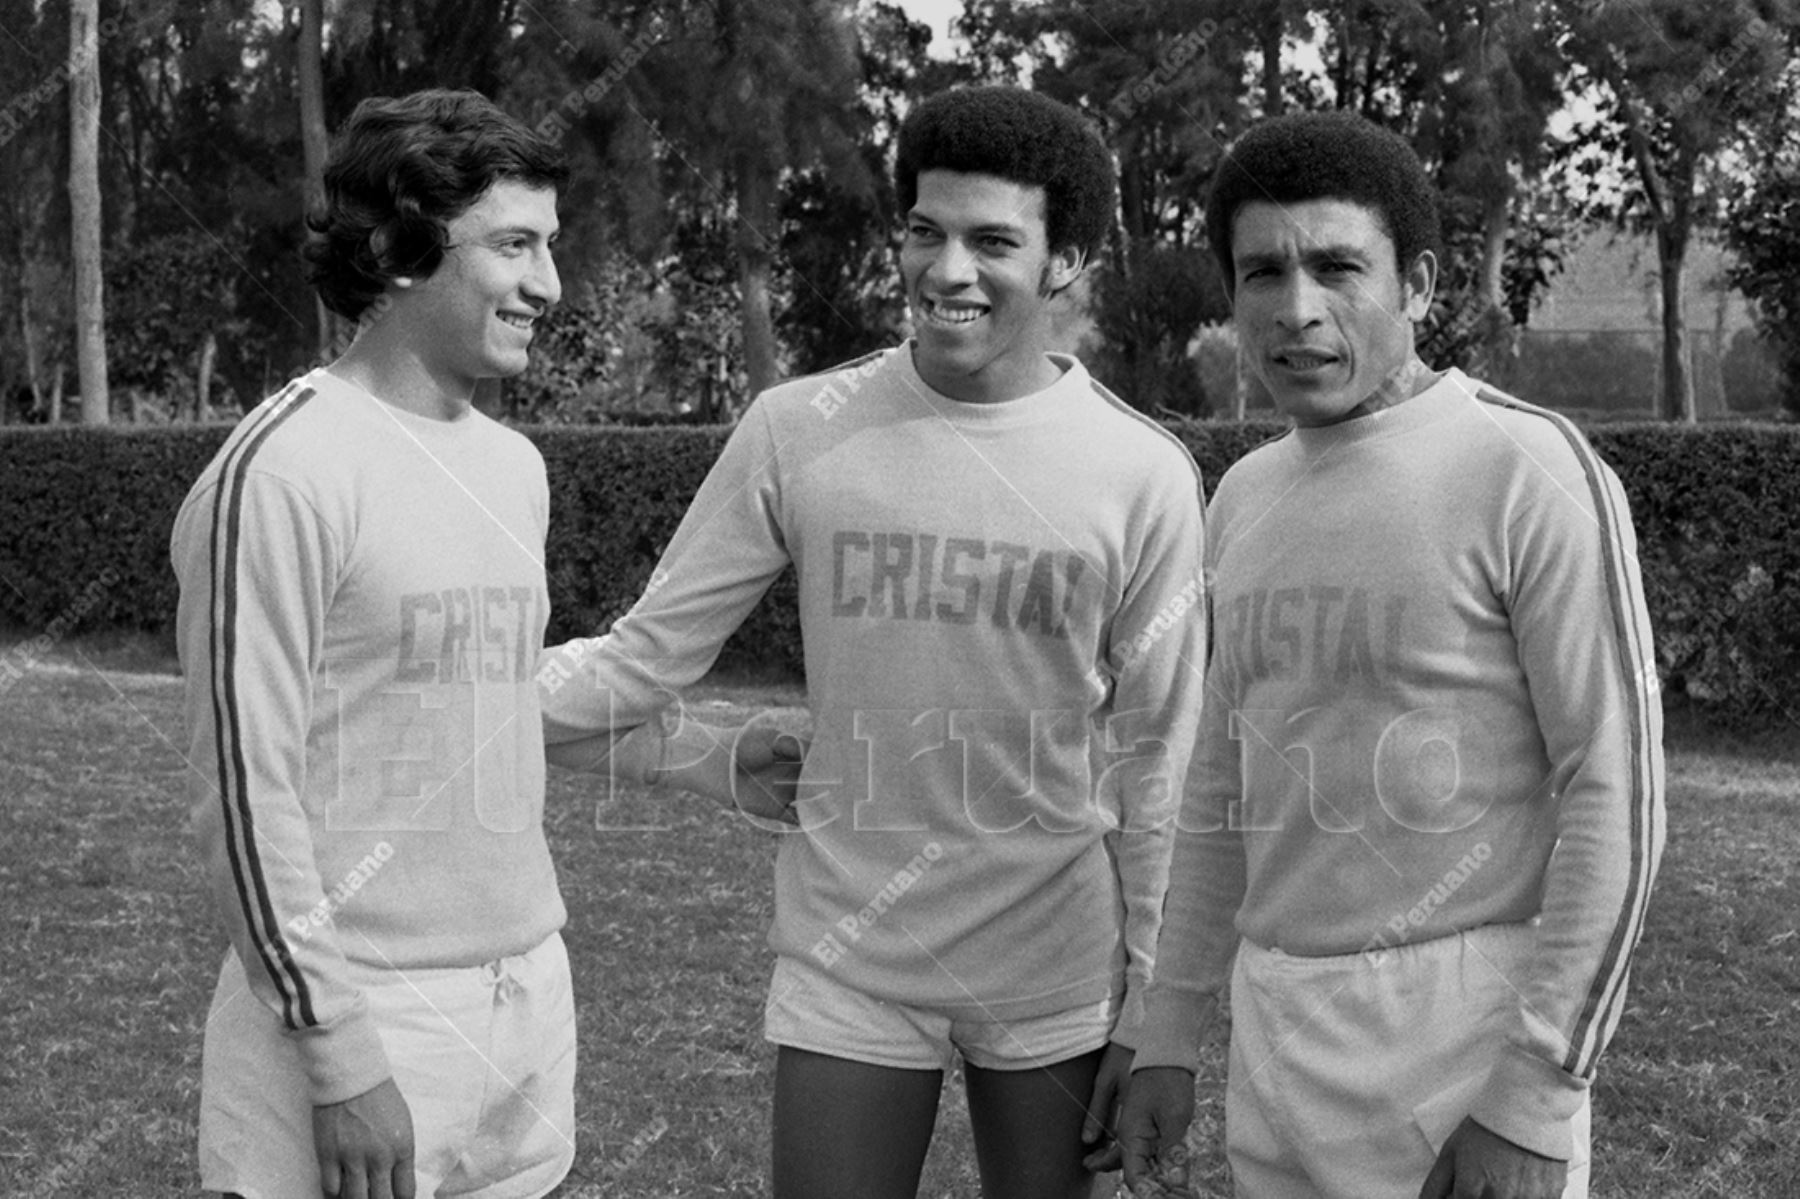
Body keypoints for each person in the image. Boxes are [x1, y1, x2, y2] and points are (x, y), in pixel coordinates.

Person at [534, 85, 1208, 1198]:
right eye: (925, 232)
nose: (949, 272)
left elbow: (1160, 763)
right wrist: (446, 700)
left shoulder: (1140, 474)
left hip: (1054, 963)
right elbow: (643, 658)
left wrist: (1155, 1007)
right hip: (851, 950)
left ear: (1065, 260)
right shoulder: (799, 430)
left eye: (994, 241)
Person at [172, 88, 789, 1199]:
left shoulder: (516, 467)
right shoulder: (282, 472)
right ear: (404, 248)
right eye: (515, 245)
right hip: (357, 1019)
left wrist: (710, 756)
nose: (548, 284)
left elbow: (492, 701)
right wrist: (339, 1049)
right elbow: (243, 791)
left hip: (526, 1003)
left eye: (550, 246)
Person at [1118, 110, 1666, 1199]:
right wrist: (1168, 1022)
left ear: (1416, 282)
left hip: (1460, 1033)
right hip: (1277, 1031)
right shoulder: (1246, 494)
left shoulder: (1526, 466)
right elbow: (1225, 781)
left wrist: (1535, 1091)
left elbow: (1617, 791)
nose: (1297, 307)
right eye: (1261, 271)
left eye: (1336, 265)